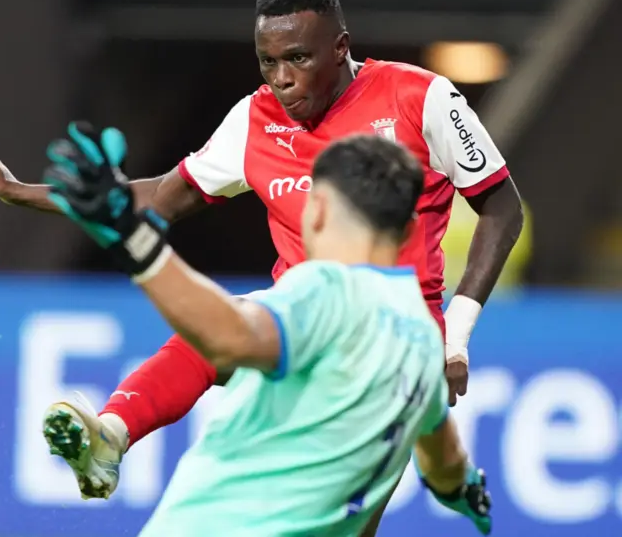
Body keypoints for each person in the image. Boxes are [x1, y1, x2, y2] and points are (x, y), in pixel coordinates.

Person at [0, 0, 525, 506]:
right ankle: (112, 433)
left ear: (340, 48)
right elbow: (164, 197)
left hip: (394, 331)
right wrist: (21, 193)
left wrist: (455, 333)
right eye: (268, 63)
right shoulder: (254, 118)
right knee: (211, 334)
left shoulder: (421, 98)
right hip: (298, 311)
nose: (282, 80)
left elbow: (502, 205)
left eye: (297, 58)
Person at [41, 124, 493, 536]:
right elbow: (445, 466)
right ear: (411, 229)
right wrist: (470, 494)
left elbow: (230, 335)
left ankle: (113, 432)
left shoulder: (324, 289)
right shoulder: (419, 340)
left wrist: (134, 241)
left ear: (315, 210)